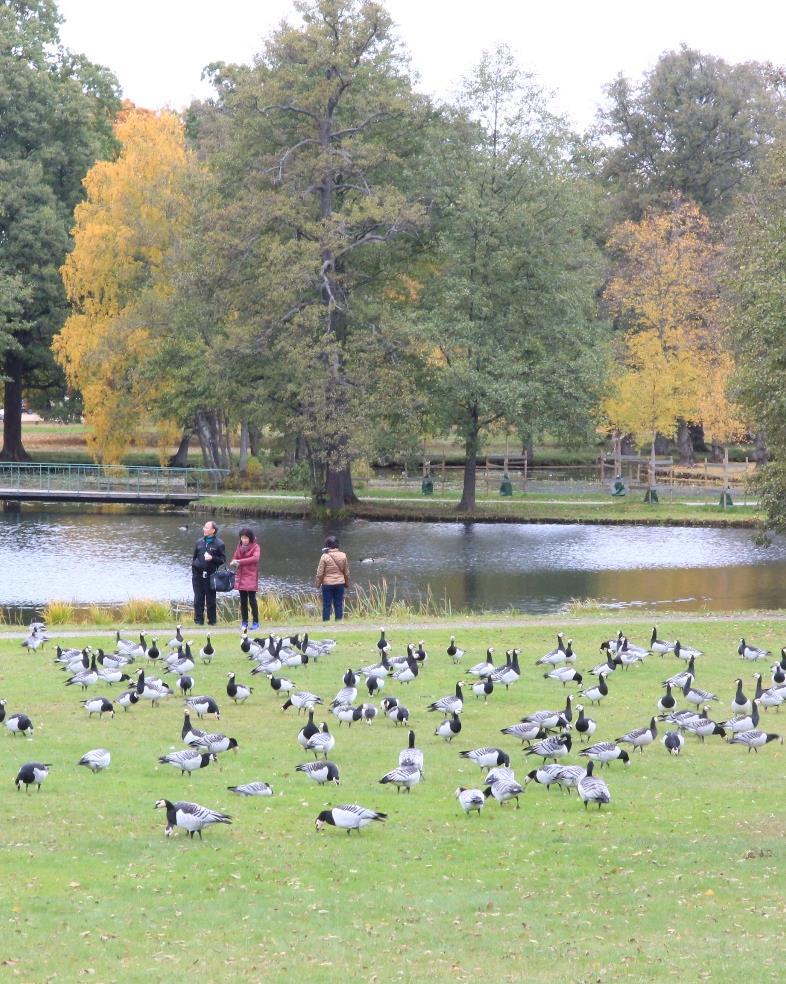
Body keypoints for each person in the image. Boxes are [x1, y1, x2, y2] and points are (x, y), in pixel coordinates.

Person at [191, 520, 226, 626]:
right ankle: (198, 621)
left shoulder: (219, 544)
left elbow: (222, 560)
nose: (204, 529)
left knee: (210, 600)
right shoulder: (199, 542)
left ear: (213, 530)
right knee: (198, 599)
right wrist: (194, 569)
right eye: (204, 527)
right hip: (197, 576)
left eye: (206, 527)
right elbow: (194, 557)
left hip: (210, 577)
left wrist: (212, 558)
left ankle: (212, 621)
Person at [315, 535, 350, 622]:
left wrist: (317, 584)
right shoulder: (343, 556)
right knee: (338, 604)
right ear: (337, 544)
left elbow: (320, 573)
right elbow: (346, 572)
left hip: (327, 584)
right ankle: (338, 623)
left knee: (327, 605)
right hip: (340, 583)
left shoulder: (324, 556)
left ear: (327, 545)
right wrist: (346, 583)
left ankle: (326, 623)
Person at [231, 527, 260, 630]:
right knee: (243, 600)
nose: (244, 540)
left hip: (251, 576)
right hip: (241, 576)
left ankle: (256, 622)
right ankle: (244, 622)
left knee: (252, 600)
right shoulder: (239, 546)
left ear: (250, 538)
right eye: (242, 537)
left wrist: (240, 561)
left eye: (246, 538)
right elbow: (235, 558)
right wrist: (234, 562)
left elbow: (255, 558)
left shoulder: (256, 547)